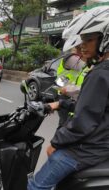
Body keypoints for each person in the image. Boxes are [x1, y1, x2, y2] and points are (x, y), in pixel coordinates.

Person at [28, 6, 109, 190]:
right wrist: (60, 103)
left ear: (105, 39)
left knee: (35, 186)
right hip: (102, 144)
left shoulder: (100, 73)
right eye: (82, 40)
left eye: (88, 40)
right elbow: (96, 108)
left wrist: (56, 143)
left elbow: (83, 122)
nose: (82, 45)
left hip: (86, 149)